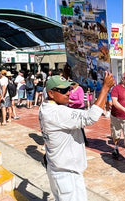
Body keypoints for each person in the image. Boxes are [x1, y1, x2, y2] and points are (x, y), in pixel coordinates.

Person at [39, 72, 115, 201]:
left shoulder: (45, 107)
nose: (68, 93)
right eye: (63, 90)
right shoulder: (57, 112)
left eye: (68, 88)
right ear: (51, 93)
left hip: (56, 168)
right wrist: (105, 88)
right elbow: (91, 117)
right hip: (67, 174)